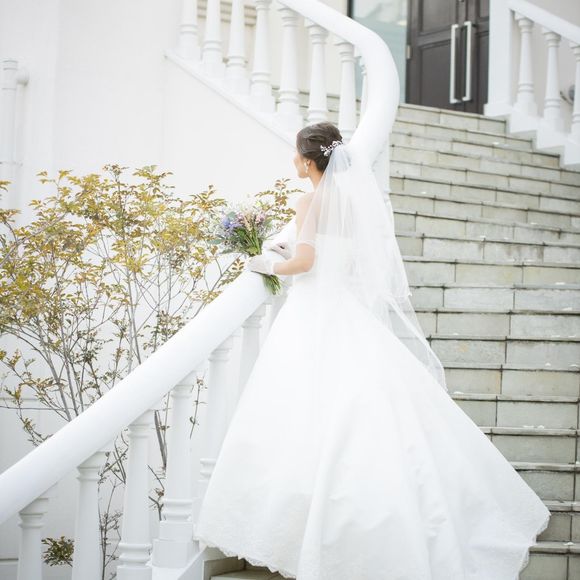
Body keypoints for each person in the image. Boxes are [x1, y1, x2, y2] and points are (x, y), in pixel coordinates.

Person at [193, 122, 551, 580]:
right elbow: (346, 261)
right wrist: (290, 248)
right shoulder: (353, 205)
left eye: (296, 153)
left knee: (304, 411)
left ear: (308, 161)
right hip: (345, 309)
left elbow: (306, 262)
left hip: (314, 314)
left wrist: (267, 263)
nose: (293, 160)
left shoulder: (308, 202)